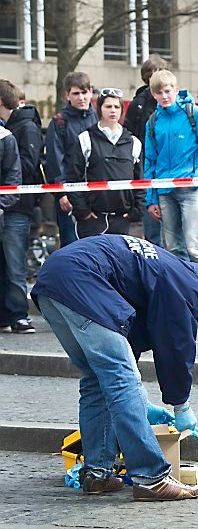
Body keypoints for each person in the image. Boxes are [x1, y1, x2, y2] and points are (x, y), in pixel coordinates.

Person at [31, 235, 198, 500]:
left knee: (96, 378)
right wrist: (180, 404)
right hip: (81, 282)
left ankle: (98, 473)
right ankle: (152, 477)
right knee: (120, 379)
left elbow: (130, 334)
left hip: (53, 281)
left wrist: (140, 403)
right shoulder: (188, 286)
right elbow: (176, 346)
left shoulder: (169, 271)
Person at [144, 70, 198, 264]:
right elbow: (150, 161)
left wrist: (196, 178)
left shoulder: (194, 113)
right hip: (164, 191)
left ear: (176, 90)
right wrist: (151, 199)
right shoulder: (152, 122)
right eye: (159, 93)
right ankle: (182, 289)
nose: (164, 96)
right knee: (172, 247)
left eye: (168, 91)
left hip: (191, 189)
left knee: (194, 245)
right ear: (153, 95)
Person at [65, 88, 143, 239]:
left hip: (123, 220)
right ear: (100, 108)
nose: (113, 110)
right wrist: (83, 212)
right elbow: (73, 177)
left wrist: (136, 212)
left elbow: (140, 181)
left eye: (117, 107)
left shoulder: (134, 142)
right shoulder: (85, 139)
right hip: (93, 220)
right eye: (108, 106)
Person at [0, 79, 39, 334]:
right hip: (12, 205)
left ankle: (18, 314)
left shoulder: (14, 133)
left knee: (15, 264)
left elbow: (20, 173)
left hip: (15, 208)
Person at [45, 72, 97, 248]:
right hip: (69, 195)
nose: (81, 98)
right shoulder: (59, 123)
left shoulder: (98, 118)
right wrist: (61, 193)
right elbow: (54, 160)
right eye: (76, 93)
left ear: (91, 92)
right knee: (72, 246)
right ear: (67, 95)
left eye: (84, 92)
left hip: (96, 194)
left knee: (97, 246)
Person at [123, 54, 170, 246]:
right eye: (152, 73)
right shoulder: (138, 104)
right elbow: (130, 135)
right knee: (152, 224)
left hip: (171, 166)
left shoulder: (174, 102)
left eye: (160, 72)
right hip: (147, 166)